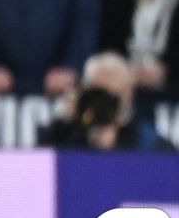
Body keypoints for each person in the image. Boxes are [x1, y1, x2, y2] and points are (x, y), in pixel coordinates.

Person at [38, 52, 173, 151]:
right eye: (98, 94)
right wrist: (63, 124)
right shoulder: (67, 132)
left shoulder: (154, 146)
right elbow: (38, 166)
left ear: (129, 94)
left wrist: (115, 146)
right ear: (84, 91)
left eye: (112, 96)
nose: (103, 103)